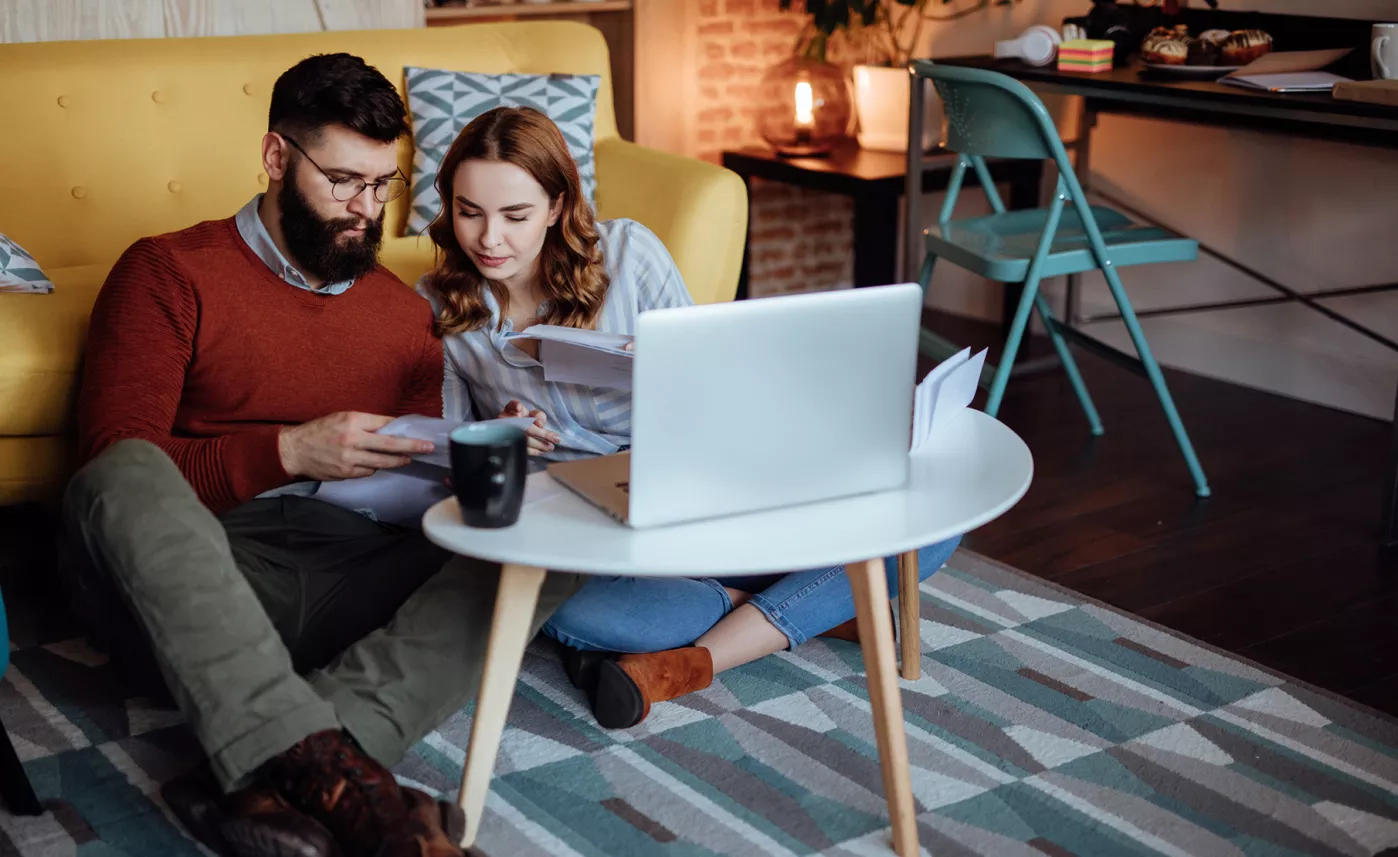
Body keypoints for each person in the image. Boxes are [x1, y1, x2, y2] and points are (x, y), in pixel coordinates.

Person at [60, 54, 582, 857]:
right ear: (276, 158)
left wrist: (481, 454)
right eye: (343, 181)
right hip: (207, 572)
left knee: (556, 520)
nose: (364, 210)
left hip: (354, 566)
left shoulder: (403, 315)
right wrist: (287, 452)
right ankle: (355, 782)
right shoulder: (167, 272)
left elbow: (418, 470)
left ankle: (283, 765)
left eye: (382, 185)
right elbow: (111, 467)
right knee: (121, 472)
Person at [417, 105, 962, 732]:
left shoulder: (627, 254)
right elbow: (453, 458)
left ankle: (697, 658)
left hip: (702, 482)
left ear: (558, 206)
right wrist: (504, 440)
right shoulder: (440, 308)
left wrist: (674, 369)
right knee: (563, 614)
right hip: (596, 524)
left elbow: (718, 388)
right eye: (469, 212)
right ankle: (796, 603)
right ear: (448, 205)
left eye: (515, 216)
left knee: (931, 513)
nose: (490, 238)